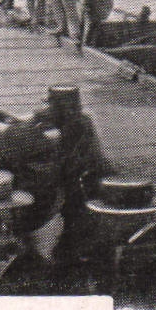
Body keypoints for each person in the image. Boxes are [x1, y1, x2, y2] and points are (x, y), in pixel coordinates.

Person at [31, 85, 108, 254]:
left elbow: (84, 160)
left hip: (79, 182)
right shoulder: (81, 121)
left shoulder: (78, 124)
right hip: (75, 180)